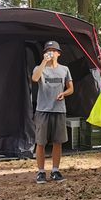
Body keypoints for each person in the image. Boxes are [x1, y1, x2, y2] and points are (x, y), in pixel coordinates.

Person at [31, 41, 74, 182]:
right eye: (47, 51)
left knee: (58, 142)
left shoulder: (64, 69)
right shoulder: (39, 68)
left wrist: (64, 94)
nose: (50, 53)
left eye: (53, 50)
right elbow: (35, 78)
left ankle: (55, 170)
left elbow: (71, 88)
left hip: (59, 110)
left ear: (58, 53)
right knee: (41, 142)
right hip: (43, 110)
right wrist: (44, 62)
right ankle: (41, 172)